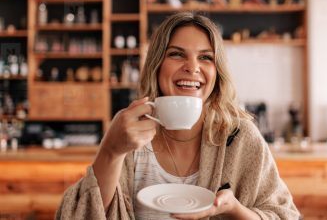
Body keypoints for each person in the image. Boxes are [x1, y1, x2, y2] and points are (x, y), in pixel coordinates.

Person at [56, 12, 300, 220]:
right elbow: (80, 213)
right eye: (176, 54)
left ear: (217, 73)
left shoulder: (239, 137)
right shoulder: (130, 133)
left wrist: (236, 210)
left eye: (205, 57)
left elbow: (285, 214)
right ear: (157, 65)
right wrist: (111, 150)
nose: (192, 67)